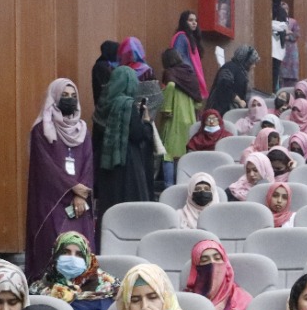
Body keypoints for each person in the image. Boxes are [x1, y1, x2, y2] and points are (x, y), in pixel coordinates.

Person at [25, 78, 95, 276]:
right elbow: (46, 167)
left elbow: (88, 163)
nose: (69, 99)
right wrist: (73, 187)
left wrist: (80, 194)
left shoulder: (83, 131)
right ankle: (48, 289)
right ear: (54, 98)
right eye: (64, 95)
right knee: (53, 246)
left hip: (79, 202)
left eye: (73, 96)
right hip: (51, 201)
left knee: (80, 247)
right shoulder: (41, 130)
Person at [93, 67, 153, 225]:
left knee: (109, 208)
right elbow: (137, 134)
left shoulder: (102, 103)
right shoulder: (127, 104)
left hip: (105, 163)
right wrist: (146, 122)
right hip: (127, 164)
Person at [28, 231, 118, 310]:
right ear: (55, 254)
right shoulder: (40, 289)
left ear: (87, 258)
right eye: (65, 252)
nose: (72, 258)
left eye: (79, 254)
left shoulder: (107, 288)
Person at [183, 239, 251, 310]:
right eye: (205, 260)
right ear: (196, 268)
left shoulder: (242, 299)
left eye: (217, 258)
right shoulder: (187, 300)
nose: (212, 263)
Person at [157, 49, 200, 188]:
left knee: (168, 154)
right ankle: (184, 185)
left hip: (174, 119)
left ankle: (169, 186)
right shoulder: (190, 73)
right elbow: (198, 101)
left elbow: (170, 86)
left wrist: (167, 108)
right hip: (189, 118)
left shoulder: (170, 73)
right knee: (185, 153)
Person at [206, 45, 259, 115]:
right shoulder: (229, 68)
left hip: (232, 112)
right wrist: (239, 101)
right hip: (221, 111)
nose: (254, 66)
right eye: (252, 63)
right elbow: (224, 87)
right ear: (246, 61)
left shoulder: (242, 71)